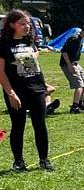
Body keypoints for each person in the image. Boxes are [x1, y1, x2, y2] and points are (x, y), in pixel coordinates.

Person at [0, 10, 53, 171]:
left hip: (36, 89)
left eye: (28, 23)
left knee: (40, 124)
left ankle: (44, 160)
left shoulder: (30, 41)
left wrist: (43, 87)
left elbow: (33, 59)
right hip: (17, 91)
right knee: (18, 125)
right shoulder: (3, 44)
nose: (27, 26)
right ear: (12, 24)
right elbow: (1, 71)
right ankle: (18, 162)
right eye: (22, 24)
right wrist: (11, 93)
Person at [60, 24, 84, 114]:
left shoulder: (81, 38)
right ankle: (74, 107)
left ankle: (80, 103)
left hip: (75, 63)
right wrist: (69, 65)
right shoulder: (74, 38)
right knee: (79, 85)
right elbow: (64, 52)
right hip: (68, 64)